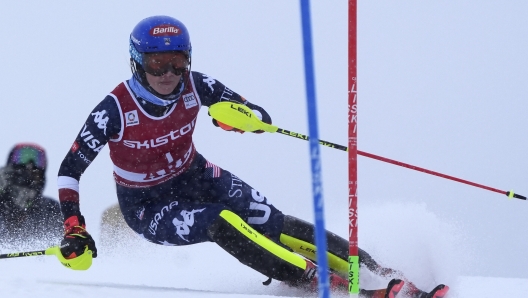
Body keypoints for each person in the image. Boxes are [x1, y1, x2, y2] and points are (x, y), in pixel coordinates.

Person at [56, 15, 448, 298]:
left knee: (272, 221)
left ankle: (386, 276)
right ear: (137, 62)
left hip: (195, 173)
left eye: (177, 61)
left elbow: (258, 114)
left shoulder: (197, 84)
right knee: (219, 220)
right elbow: (69, 170)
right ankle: (343, 289)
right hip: (147, 204)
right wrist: (74, 226)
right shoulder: (114, 109)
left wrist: (242, 120)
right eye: (157, 63)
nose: (169, 73)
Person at [0, 143, 62, 246]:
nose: (30, 164)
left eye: (38, 159)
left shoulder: (50, 209)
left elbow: (63, 242)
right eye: (21, 156)